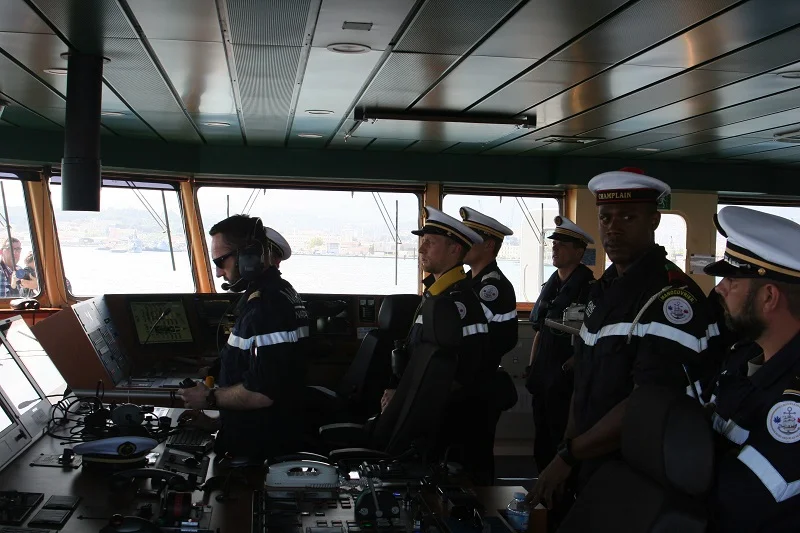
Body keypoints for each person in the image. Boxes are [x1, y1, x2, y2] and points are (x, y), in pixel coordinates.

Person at [528, 168, 720, 512]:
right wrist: (568, 448)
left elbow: (646, 403)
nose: (613, 228)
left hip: (638, 469)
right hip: (590, 458)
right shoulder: (603, 291)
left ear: (654, 222)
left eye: (628, 217)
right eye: (605, 218)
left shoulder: (669, 298)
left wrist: (570, 455)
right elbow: (584, 380)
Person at [179, 214, 310, 460]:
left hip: (258, 451)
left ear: (248, 258)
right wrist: (216, 423)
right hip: (254, 434)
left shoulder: (267, 307)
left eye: (221, 261)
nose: (218, 273)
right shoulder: (273, 295)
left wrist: (207, 397)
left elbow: (262, 393)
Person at [703, 206, 800, 532]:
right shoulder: (743, 357)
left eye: (731, 279)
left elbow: (741, 498)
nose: (719, 289)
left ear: (769, 297)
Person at [380, 206, 490, 480]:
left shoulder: (459, 303)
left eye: (430, 243)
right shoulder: (435, 297)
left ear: (455, 250)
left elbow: (468, 371)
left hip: (443, 417)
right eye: (422, 242)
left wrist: (409, 401)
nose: (421, 249)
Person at [526, 216, 594, 479]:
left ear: (579, 252)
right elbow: (540, 331)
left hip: (567, 382)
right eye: (553, 244)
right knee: (541, 443)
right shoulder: (551, 286)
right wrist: (532, 368)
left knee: (562, 441)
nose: (554, 248)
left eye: (562, 244)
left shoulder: (590, 290)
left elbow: (593, 341)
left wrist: (568, 368)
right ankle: (542, 496)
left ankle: (563, 501)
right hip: (543, 377)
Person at [460, 206, 518, 484]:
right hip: (469, 383)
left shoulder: (491, 287)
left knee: (476, 455)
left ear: (489, 245)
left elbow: (478, 339)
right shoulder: (469, 282)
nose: (462, 241)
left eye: (470, 237)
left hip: (480, 385)